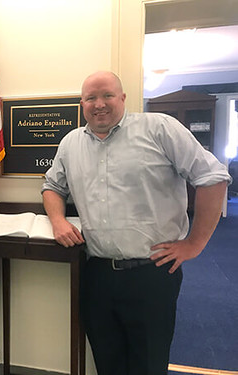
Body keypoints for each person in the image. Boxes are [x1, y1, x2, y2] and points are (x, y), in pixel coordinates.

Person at [42, 71, 231, 375]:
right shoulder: (71, 143)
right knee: (107, 361)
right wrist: (57, 220)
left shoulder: (159, 128)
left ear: (123, 98)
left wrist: (194, 243)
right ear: (82, 103)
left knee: (148, 364)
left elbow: (213, 177)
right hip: (97, 274)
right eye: (91, 98)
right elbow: (52, 186)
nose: (99, 104)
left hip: (152, 273)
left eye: (107, 95)